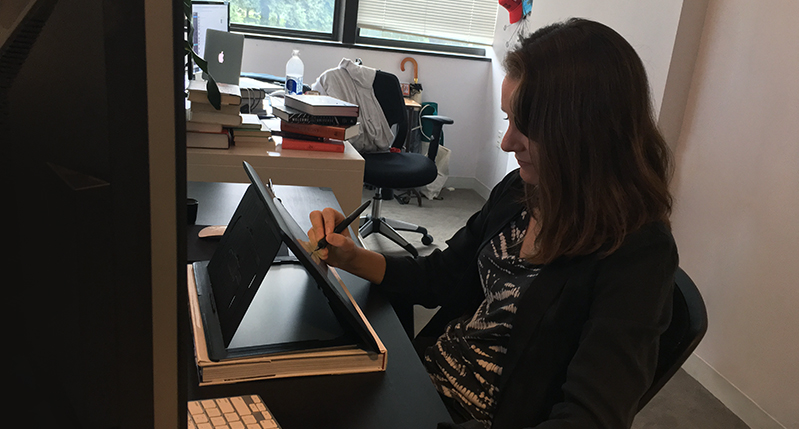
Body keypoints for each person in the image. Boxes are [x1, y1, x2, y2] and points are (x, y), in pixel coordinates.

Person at [308, 18, 677, 429]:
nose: (507, 142)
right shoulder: (523, 192)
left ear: (585, 132)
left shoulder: (637, 252)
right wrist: (352, 257)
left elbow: (590, 417)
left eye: (529, 127)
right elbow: (442, 275)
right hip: (423, 383)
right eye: (508, 119)